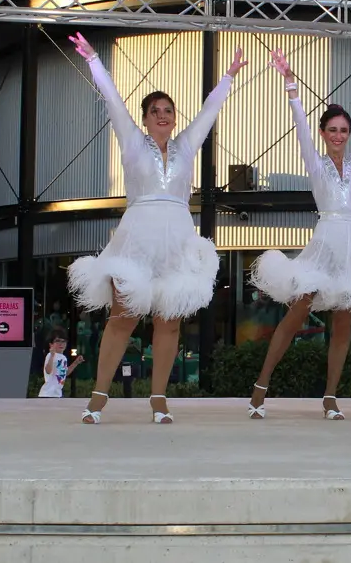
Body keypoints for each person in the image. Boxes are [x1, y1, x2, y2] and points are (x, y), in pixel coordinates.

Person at [66, 31, 247, 424]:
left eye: (168, 110)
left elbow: (209, 114)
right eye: (154, 111)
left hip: (177, 239)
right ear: (145, 119)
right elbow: (112, 101)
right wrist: (95, 60)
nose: (162, 115)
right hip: (138, 238)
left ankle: (159, 399)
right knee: (123, 317)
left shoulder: (185, 147)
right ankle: (97, 399)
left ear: (173, 117)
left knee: (169, 321)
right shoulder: (131, 141)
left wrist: (229, 76)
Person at [247, 48, 351, 420]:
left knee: (343, 323)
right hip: (325, 244)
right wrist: (290, 83)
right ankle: (261, 385)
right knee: (296, 313)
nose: (338, 136)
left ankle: (331, 397)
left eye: (343, 131)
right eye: (332, 130)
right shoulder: (315, 160)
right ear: (323, 133)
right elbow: (300, 126)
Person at [39, 330, 84, 398]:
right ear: (51, 344)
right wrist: (52, 355)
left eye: (63, 341)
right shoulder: (50, 355)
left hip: (57, 394)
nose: (61, 344)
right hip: (47, 394)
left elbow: (64, 373)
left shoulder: (63, 358)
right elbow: (48, 371)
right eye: (58, 341)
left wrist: (76, 362)